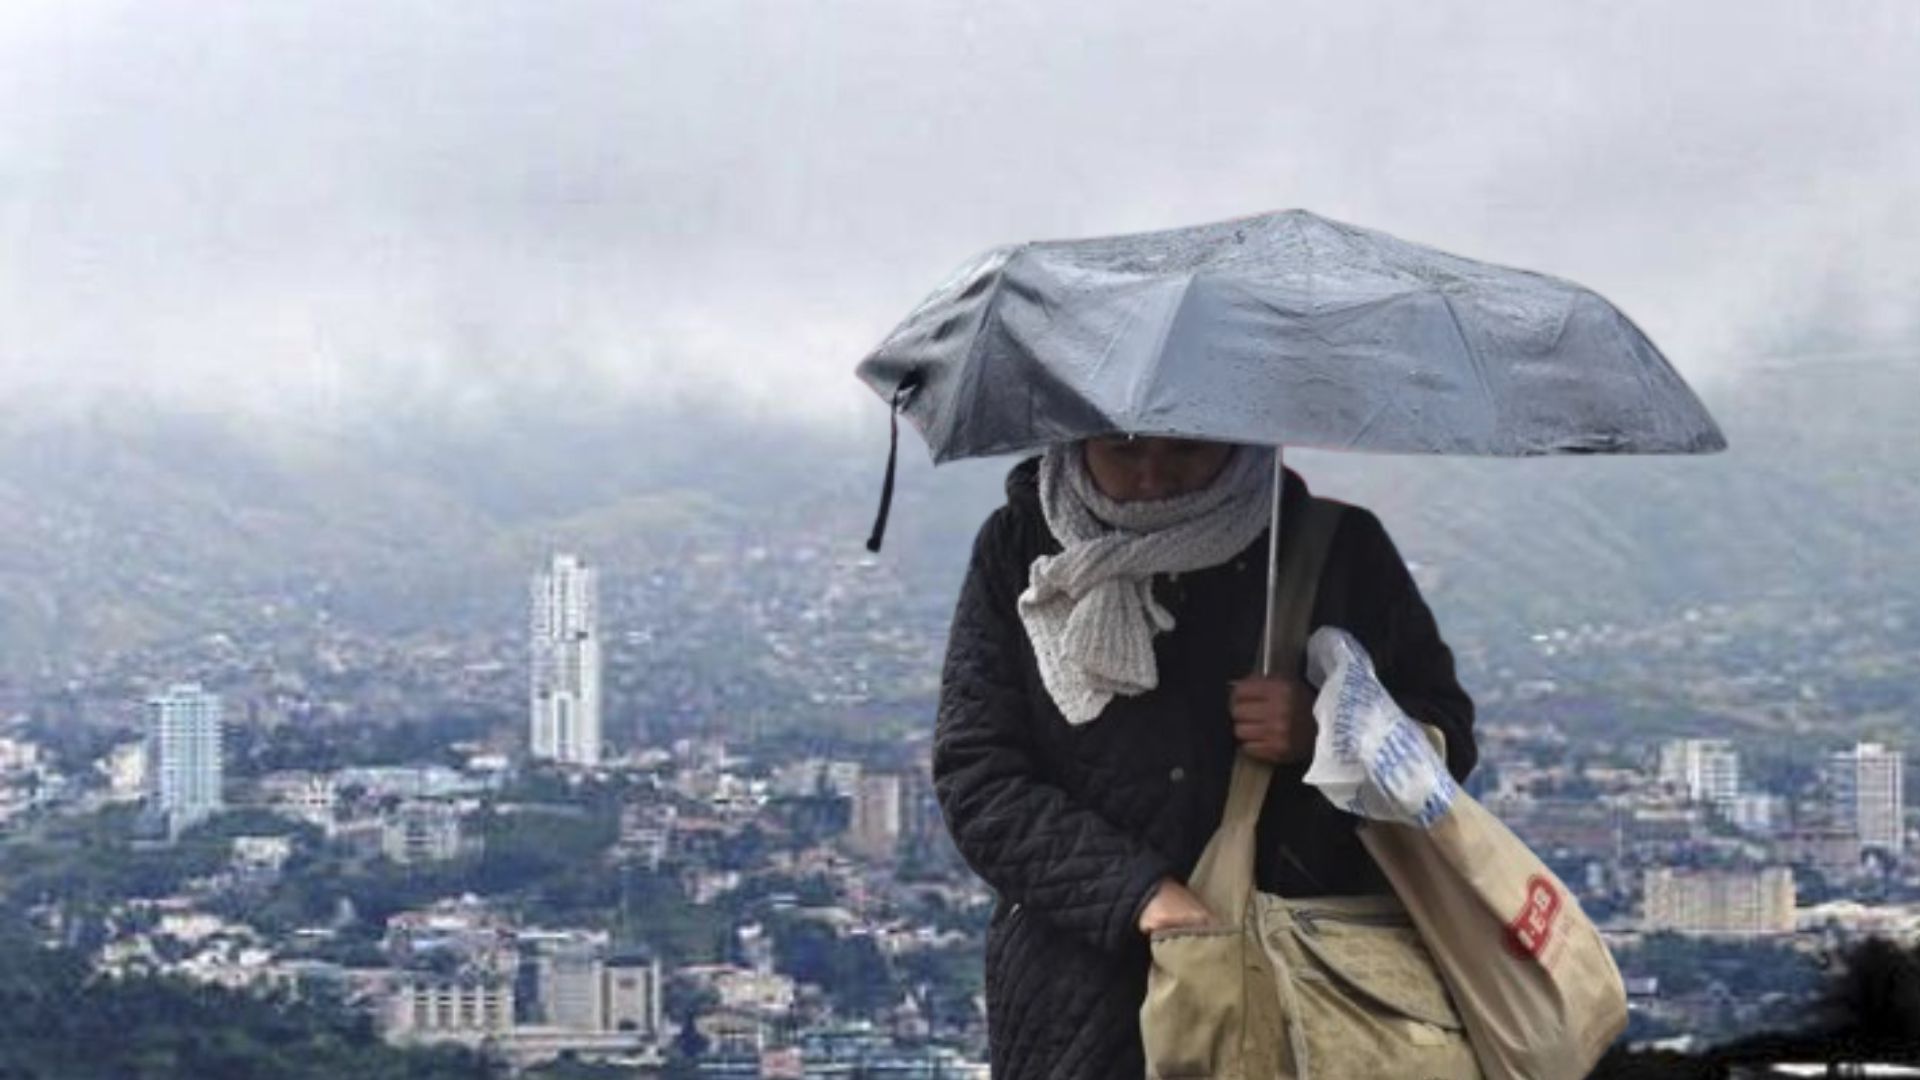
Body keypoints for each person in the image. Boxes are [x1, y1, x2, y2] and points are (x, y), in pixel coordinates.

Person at [933, 435, 1477, 1080]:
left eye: (1186, 451)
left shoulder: (1331, 549)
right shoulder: (1024, 548)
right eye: (1123, 450)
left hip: (1302, 990)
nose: (1153, 476)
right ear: (1076, 437)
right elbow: (978, 776)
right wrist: (1133, 892)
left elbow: (1446, 743)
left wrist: (1323, 730)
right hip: (1082, 1005)